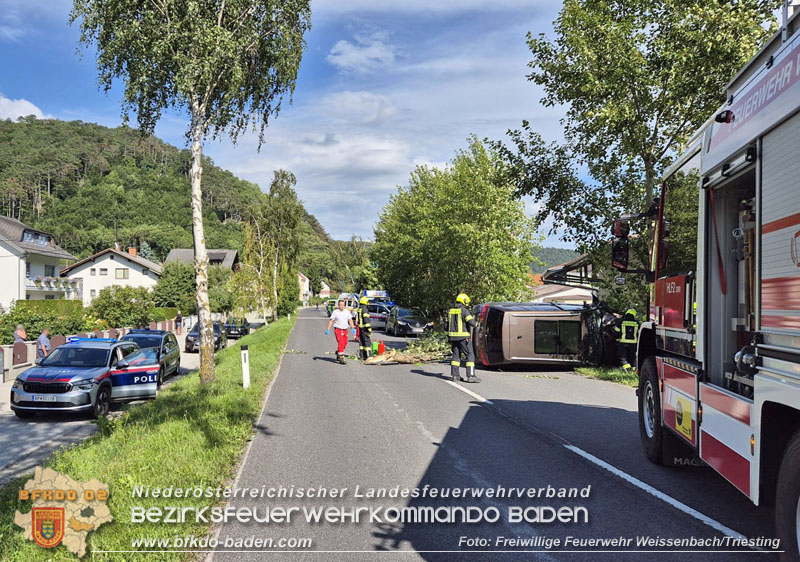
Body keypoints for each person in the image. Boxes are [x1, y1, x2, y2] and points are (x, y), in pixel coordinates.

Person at [447, 293, 480, 383]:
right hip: (463, 338)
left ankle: (455, 376)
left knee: (455, 356)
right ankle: (471, 376)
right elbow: (472, 323)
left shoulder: (450, 311)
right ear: (464, 301)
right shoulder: (464, 311)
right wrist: (477, 324)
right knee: (470, 355)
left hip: (453, 338)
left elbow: (446, 326)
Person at [326, 300, 356, 364]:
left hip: (345, 329)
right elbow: (331, 321)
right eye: (340, 305)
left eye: (343, 305)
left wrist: (353, 328)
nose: (342, 306)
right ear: (338, 305)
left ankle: (338, 352)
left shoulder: (347, 312)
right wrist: (328, 329)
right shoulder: (335, 312)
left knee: (345, 343)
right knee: (341, 342)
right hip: (338, 329)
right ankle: (341, 358)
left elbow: (350, 320)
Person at [356, 296, 372, 360]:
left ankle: (362, 356)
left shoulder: (359, 309)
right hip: (365, 328)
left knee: (362, 342)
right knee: (367, 342)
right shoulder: (364, 309)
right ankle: (369, 356)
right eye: (367, 302)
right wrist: (369, 328)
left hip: (361, 328)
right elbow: (366, 320)